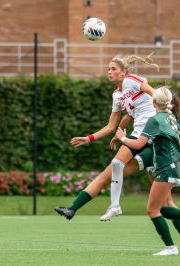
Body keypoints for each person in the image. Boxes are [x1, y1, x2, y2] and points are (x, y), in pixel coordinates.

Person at [57, 53, 158, 220]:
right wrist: (88, 138)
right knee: (109, 172)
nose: (109, 72)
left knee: (163, 199)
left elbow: (153, 92)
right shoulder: (117, 95)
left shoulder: (131, 80)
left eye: (113, 69)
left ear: (124, 72)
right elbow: (112, 125)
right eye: (108, 69)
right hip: (137, 135)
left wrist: (166, 109)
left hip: (154, 134)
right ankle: (74, 209)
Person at [115, 86, 180, 256]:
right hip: (171, 166)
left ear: (154, 101)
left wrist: (122, 138)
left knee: (153, 210)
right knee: (161, 208)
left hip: (164, 167)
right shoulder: (171, 118)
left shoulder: (154, 120)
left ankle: (174, 244)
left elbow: (138, 144)